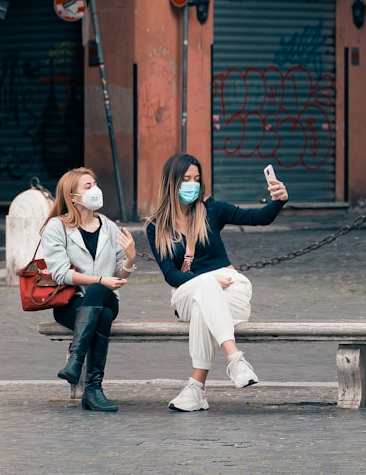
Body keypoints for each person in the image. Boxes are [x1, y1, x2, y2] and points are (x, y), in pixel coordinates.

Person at [145, 153, 289, 412]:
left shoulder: (212, 210)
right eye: (186, 179)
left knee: (205, 303)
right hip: (186, 293)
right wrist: (209, 278)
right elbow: (170, 274)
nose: (193, 184)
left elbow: (259, 217)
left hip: (230, 290)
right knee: (206, 287)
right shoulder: (157, 226)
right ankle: (235, 358)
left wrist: (278, 200)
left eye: (197, 179)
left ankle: (196, 390)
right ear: (171, 183)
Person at [40, 167, 137, 412]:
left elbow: (120, 276)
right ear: (73, 197)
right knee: (101, 314)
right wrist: (100, 280)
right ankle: (93, 390)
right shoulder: (56, 227)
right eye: (87, 186)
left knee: (99, 294)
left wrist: (130, 259)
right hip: (68, 304)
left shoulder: (109, 227)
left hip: (107, 297)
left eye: (95, 184)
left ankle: (75, 360)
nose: (95, 190)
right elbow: (60, 273)